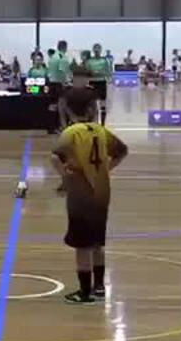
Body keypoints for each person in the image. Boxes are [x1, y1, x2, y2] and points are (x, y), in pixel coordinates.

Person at [50, 86, 129, 304]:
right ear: (92, 109)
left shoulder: (71, 133)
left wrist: (66, 177)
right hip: (102, 192)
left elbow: (55, 158)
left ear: (69, 110)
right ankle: (99, 286)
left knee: (81, 246)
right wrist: (104, 169)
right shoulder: (100, 131)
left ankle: (84, 292)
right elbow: (122, 152)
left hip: (81, 194)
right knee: (96, 242)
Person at [88, 45, 113, 125]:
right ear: (93, 50)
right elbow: (87, 72)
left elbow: (109, 72)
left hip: (101, 83)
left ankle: (102, 123)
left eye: (98, 49)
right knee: (92, 104)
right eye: (95, 49)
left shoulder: (104, 61)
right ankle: (93, 122)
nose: (96, 51)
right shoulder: (89, 61)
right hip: (92, 83)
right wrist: (92, 73)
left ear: (101, 50)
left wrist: (102, 74)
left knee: (103, 105)